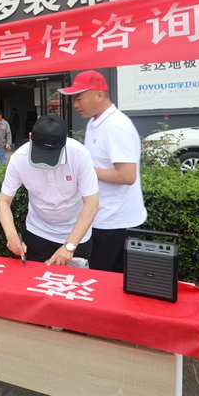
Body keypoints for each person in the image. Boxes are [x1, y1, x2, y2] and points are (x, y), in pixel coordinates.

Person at [59, 70, 147, 272]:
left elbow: (127, 176)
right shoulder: (95, 122)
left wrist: (85, 170)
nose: (75, 105)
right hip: (101, 217)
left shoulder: (116, 126)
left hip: (115, 223)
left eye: (79, 98)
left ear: (99, 94)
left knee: (105, 278)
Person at [0, 114, 99, 265]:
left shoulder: (79, 155)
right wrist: (11, 236)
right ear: (30, 137)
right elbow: (3, 202)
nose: (45, 164)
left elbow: (92, 204)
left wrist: (70, 245)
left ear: (65, 141)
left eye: (52, 156)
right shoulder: (19, 158)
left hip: (75, 234)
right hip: (38, 231)